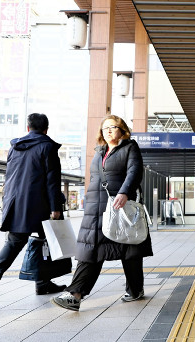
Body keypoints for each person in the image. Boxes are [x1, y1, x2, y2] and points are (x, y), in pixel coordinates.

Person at [51, 115, 152, 311]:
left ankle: (135, 290)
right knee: (91, 249)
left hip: (119, 205)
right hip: (95, 209)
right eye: (105, 128)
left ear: (122, 130)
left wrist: (123, 192)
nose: (108, 131)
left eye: (113, 127)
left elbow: (135, 171)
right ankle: (75, 294)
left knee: (129, 248)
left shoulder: (130, 148)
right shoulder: (99, 152)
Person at [0, 113, 66, 309]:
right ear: (46, 129)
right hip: (40, 205)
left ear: (28, 128)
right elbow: (52, 181)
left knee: (16, 243)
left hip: (16, 203)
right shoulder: (47, 147)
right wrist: (56, 208)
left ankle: (40, 282)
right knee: (48, 241)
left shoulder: (16, 147)